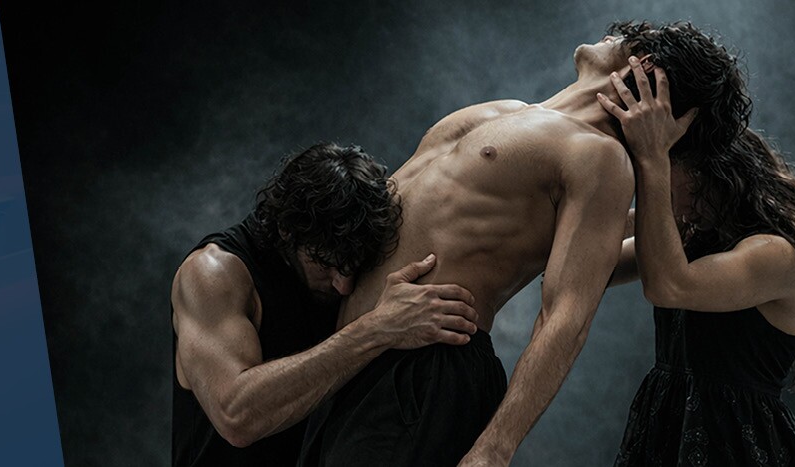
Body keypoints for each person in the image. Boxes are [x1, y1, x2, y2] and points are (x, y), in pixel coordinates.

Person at [298, 22, 750, 467]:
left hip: (421, 373)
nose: (607, 35)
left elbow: (566, 315)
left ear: (644, 65)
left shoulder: (600, 157)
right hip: (349, 361)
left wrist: (494, 450)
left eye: (622, 37)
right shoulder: (507, 110)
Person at [597, 37, 795, 465]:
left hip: (736, 448)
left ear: (711, 176)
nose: (663, 195)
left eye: (670, 175)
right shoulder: (697, 234)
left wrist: (653, 156)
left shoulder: (780, 254)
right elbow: (597, 268)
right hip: (667, 431)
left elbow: (669, 286)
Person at [170, 143, 482, 466]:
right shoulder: (212, 274)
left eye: (354, 267)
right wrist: (375, 330)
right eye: (327, 266)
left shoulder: (344, 267)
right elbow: (236, 417)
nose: (344, 285)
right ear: (287, 230)